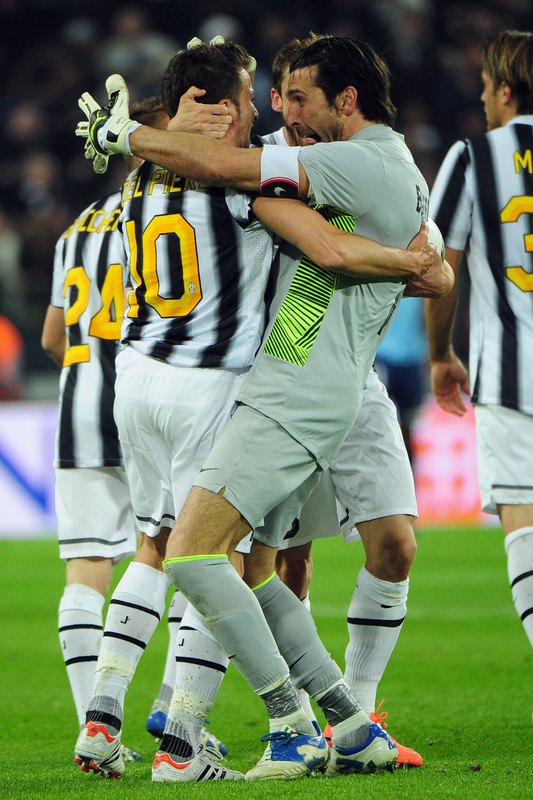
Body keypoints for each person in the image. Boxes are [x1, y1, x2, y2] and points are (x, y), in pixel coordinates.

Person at [77, 36, 452, 781]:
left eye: (291, 98)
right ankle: (260, 727)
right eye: (257, 98)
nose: (273, 113)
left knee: (191, 553)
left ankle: (154, 720)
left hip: (152, 376)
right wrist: (412, 262)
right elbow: (335, 251)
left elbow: (322, 237)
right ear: (222, 109)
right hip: (235, 382)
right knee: (225, 560)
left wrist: (134, 135)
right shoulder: (252, 183)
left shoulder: (144, 180)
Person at [41, 96, 169, 767]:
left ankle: (95, 733)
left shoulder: (76, 227)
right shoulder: (174, 214)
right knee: (181, 551)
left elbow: (53, 336)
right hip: (152, 406)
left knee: (86, 568)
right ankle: (180, 718)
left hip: (77, 409)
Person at [426, 29, 533, 702]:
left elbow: (439, 270)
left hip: (511, 375)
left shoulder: (473, 156)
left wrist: (441, 354)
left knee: (524, 529)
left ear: (501, 90)